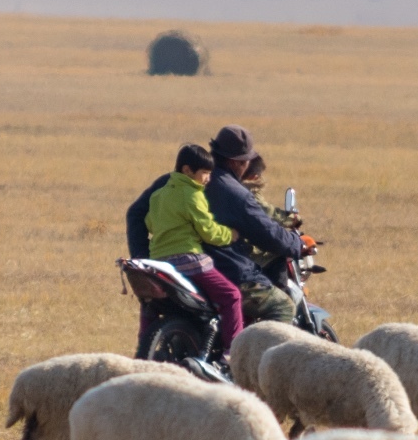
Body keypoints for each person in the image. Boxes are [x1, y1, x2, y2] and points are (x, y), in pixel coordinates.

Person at [126, 125, 305, 334]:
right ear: (238, 162)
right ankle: (262, 363)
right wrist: (296, 243)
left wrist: (144, 258)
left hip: (172, 271)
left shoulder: (171, 182)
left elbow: (135, 214)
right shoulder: (236, 194)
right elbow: (269, 235)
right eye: (246, 162)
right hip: (229, 274)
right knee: (282, 306)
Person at [141, 143, 245, 360]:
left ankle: (143, 351)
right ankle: (232, 352)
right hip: (188, 260)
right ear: (187, 171)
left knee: (150, 304)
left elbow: (151, 224)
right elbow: (208, 231)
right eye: (205, 173)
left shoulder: (158, 195)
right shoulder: (192, 195)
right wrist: (230, 235)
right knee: (232, 296)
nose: (208, 178)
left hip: (159, 261)